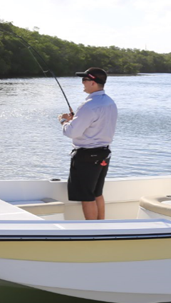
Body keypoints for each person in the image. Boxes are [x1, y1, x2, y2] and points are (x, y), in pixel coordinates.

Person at [58, 67, 118, 220]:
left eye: (84, 80)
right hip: (104, 154)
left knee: (87, 196)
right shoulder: (109, 102)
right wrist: (76, 119)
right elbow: (95, 125)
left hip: (86, 156)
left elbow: (71, 132)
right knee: (97, 193)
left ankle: (93, 231)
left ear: (93, 82)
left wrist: (64, 121)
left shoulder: (89, 105)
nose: (82, 83)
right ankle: (101, 227)